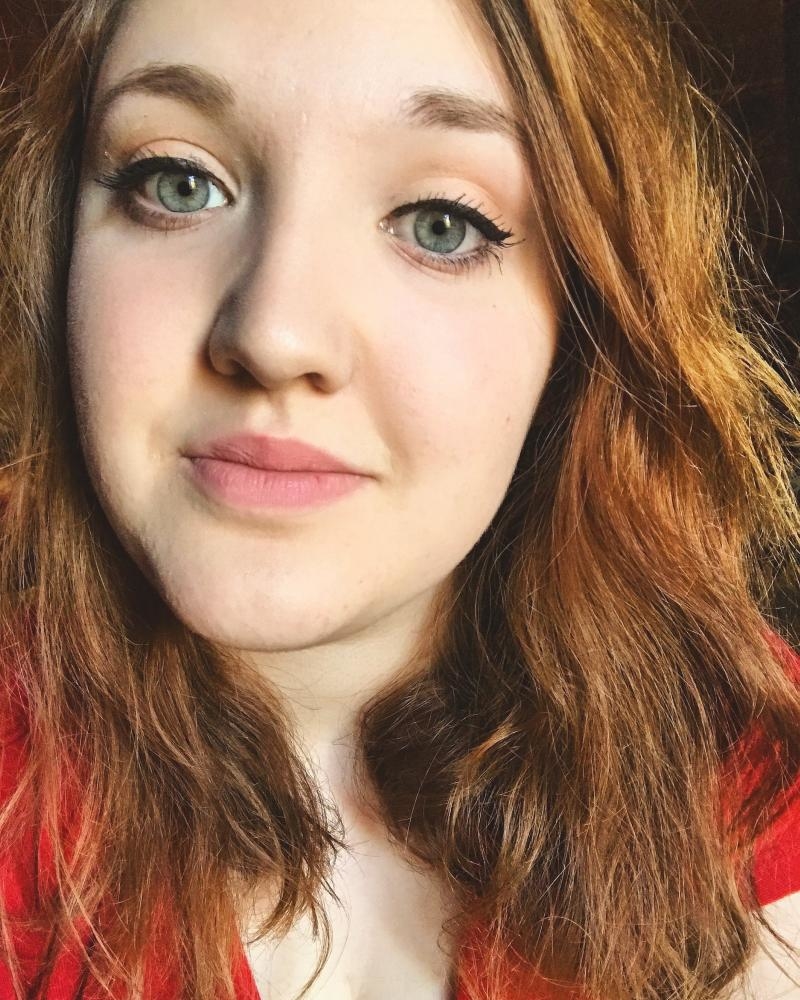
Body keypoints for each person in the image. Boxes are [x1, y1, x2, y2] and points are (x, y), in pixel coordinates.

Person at [0, 0, 799, 998]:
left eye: (439, 224)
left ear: (582, 325)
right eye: (178, 182)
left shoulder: (728, 737)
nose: (275, 334)